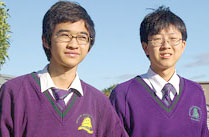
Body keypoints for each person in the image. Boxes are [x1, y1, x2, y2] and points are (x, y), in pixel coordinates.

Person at [0, 1, 128, 137]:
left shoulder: (98, 102)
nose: (73, 44)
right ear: (46, 40)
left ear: (89, 44)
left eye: (82, 37)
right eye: (64, 35)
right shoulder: (14, 92)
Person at [110, 6, 209, 137]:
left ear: (183, 46)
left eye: (173, 39)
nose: (166, 46)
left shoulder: (196, 92)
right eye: (157, 39)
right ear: (145, 47)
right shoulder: (123, 94)